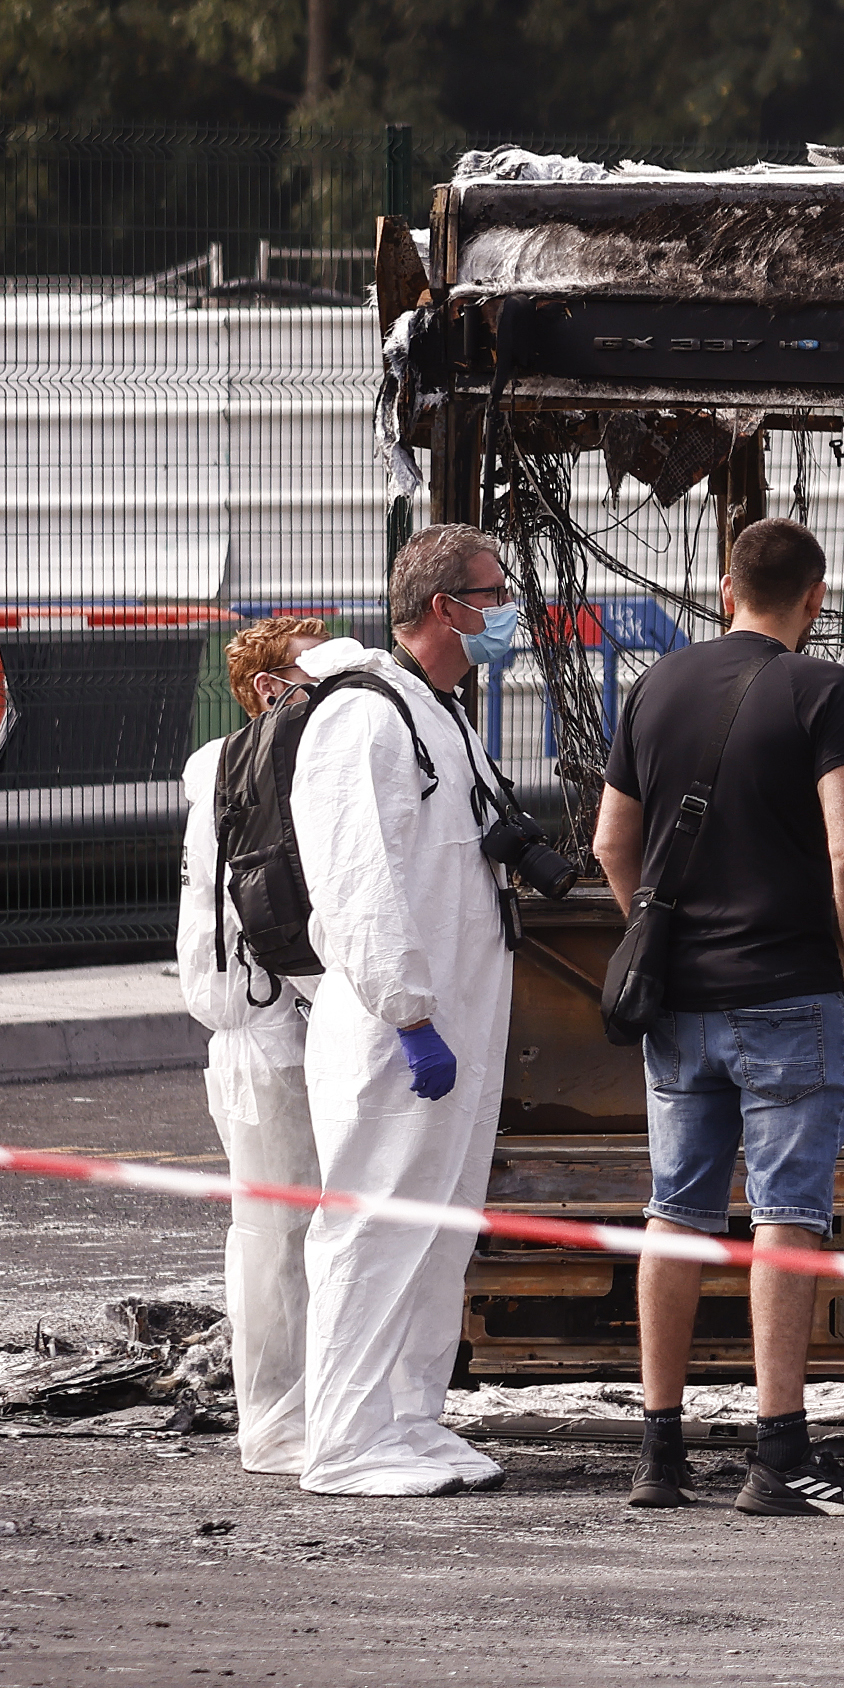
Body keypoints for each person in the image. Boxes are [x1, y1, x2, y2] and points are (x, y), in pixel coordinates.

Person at [590, 513, 844, 1516]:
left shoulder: (656, 686)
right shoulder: (824, 688)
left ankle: (658, 1451)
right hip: (790, 992)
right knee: (785, 1216)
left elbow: (608, 843)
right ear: (815, 598)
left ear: (726, 590)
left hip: (680, 1001)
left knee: (674, 1211)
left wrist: (655, 934)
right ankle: (777, 1453)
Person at [285, 528, 527, 1496]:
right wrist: (408, 1012)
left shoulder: (442, 713)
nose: (509, 608)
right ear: (443, 606)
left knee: (438, 1227)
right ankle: (343, 1438)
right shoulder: (366, 717)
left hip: (456, 1013)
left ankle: (408, 1417)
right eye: (494, 591)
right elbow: (354, 880)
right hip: (398, 1028)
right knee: (375, 1226)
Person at [172, 612, 337, 1474]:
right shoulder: (244, 771)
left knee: (298, 1230)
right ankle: (276, 1417)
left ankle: (304, 1406)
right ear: (271, 692)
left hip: (268, 1020)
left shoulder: (234, 767)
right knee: (276, 1234)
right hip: (263, 1023)